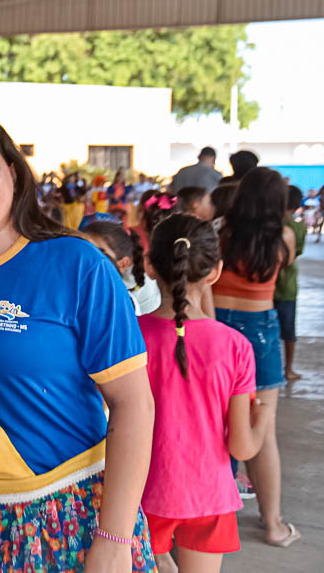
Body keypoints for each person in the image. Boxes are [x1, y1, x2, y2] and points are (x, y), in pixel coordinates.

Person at [0, 113, 155, 572]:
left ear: (13, 172)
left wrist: (114, 537)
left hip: (68, 513)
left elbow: (134, 406)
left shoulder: (77, 265)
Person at [140, 214, 272, 573]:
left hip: (138, 493)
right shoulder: (236, 347)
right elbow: (242, 448)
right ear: (215, 271)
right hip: (209, 497)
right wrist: (263, 420)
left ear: (151, 266)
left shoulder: (130, 339)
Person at [212, 167, 298, 548]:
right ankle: (273, 524)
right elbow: (282, 275)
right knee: (263, 428)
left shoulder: (219, 233)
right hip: (259, 331)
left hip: (216, 327)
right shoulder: (283, 238)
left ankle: (217, 517)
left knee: (216, 426)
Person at [83, 220, 160, 316]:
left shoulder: (124, 307)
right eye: (83, 249)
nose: (85, 258)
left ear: (123, 264)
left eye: (99, 253)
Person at [274, 185, 307, 382]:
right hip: (287, 285)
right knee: (289, 331)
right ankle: (288, 369)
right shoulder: (298, 227)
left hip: (267, 283)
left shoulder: (267, 224)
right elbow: (298, 251)